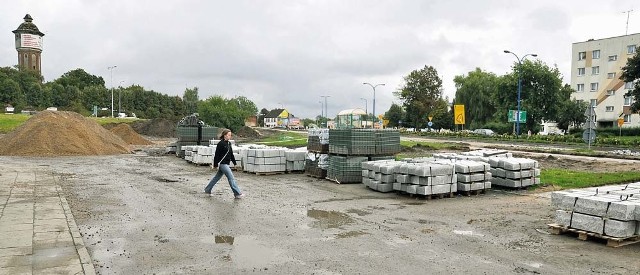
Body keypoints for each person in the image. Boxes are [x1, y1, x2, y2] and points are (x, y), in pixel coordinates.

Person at [204, 129, 244, 199]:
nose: (230, 136)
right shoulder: (220, 144)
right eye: (229, 135)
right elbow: (217, 155)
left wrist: (235, 163)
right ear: (224, 135)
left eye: (230, 135)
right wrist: (215, 165)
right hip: (223, 164)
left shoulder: (229, 143)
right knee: (231, 178)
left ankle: (207, 190)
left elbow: (231, 154)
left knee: (216, 178)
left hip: (226, 163)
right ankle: (237, 194)